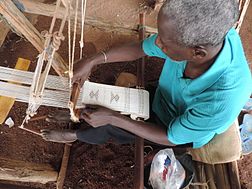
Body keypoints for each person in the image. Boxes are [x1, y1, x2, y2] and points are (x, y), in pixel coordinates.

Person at [41, 0, 251, 150]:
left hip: (173, 128)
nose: (157, 43)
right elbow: (141, 48)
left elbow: (170, 137)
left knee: (110, 127)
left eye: (165, 44)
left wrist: (115, 119)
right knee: (109, 101)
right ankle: (76, 115)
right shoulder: (201, 33)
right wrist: (93, 60)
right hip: (163, 96)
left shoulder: (220, 102)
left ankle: (75, 135)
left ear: (197, 53)